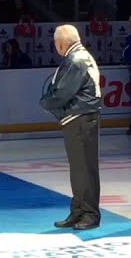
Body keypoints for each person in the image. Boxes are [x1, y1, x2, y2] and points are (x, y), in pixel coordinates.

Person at [39, 24, 103, 230]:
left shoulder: (75, 61)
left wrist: (45, 103)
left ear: (60, 43)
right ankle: (78, 211)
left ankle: (90, 214)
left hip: (80, 119)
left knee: (84, 169)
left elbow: (61, 93)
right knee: (80, 169)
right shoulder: (81, 56)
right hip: (81, 119)